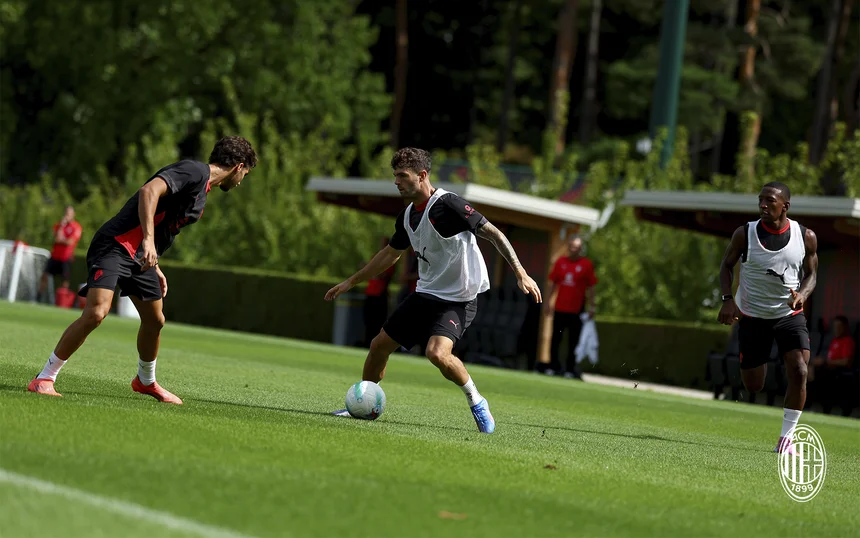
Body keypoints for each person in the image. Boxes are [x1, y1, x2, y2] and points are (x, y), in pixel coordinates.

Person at [324, 147, 542, 433]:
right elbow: (390, 254)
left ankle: (476, 401)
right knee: (378, 346)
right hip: (425, 295)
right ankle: (364, 402)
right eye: (395, 176)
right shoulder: (406, 216)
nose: (397, 182)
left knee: (437, 353)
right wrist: (351, 281)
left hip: (458, 299)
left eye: (403, 175)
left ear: (422, 175)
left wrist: (521, 272)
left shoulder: (448, 205)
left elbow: (494, 234)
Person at [27, 136, 258, 404]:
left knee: (155, 320)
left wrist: (155, 263)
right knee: (97, 312)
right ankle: (44, 378)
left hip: (140, 256)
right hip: (115, 245)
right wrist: (147, 240)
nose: (241, 181)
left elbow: (162, 226)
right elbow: (149, 191)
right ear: (238, 167)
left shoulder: (202, 191)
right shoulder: (194, 171)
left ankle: (145, 381)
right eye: (245, 174)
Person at [718, 181, 818, 454]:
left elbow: (812, 275)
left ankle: (787, 439)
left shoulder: (805, 236)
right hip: (753, 315)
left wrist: (802, 295)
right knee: (754, 385)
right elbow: (726, 266)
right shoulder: (745, 233)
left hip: (789, 314)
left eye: (770, 201)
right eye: (761, 200)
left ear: (785, 206)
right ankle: (759, 361)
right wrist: (727, 300)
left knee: (799, 370)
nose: (763, 205)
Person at [542, 235, 597, 379]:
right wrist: (548, 302)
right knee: (556, 338)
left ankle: (570, 369)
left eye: (576, 247)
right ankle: (553, 367)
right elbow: (553, 283)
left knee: (573, 341)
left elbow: (592, 287)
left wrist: (592, 307)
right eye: (571, 247)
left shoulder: (586, 265)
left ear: (580, 249)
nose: (573, 250)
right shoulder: (561, 262)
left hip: (577, 310)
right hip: (560, 308)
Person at [808, 315, 855, 414]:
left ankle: (812, 405)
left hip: (838, 371)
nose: (836, 329)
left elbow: (846, 362)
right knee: (807, 369)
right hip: (827, 368)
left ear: (845, 328)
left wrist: (825, 362)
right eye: (835, 327)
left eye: (839, 327)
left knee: (815, 373)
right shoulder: (834, 340)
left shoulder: (848, 341)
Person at [40, 206, 83, 300]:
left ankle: (61, 300)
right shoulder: (59, 225)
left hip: (66, 257)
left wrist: (62, 240)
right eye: (66, 213)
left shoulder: (76, 227)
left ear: (73, 214)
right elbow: (56, 238)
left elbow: (70, 242)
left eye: (69, 213)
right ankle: (38, 297)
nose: (67, 215)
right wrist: (62, 227)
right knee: (45, 275)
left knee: (64, 279)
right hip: (55, 255)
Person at [363, 236, 397, 347]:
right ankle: (367, 342)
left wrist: (370, 270)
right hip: (370, 292)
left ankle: (375, 343)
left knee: (378, 321)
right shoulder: (376, 256)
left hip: (380, 293)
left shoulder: (391, 258)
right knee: (368, 320)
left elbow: (382, 274)